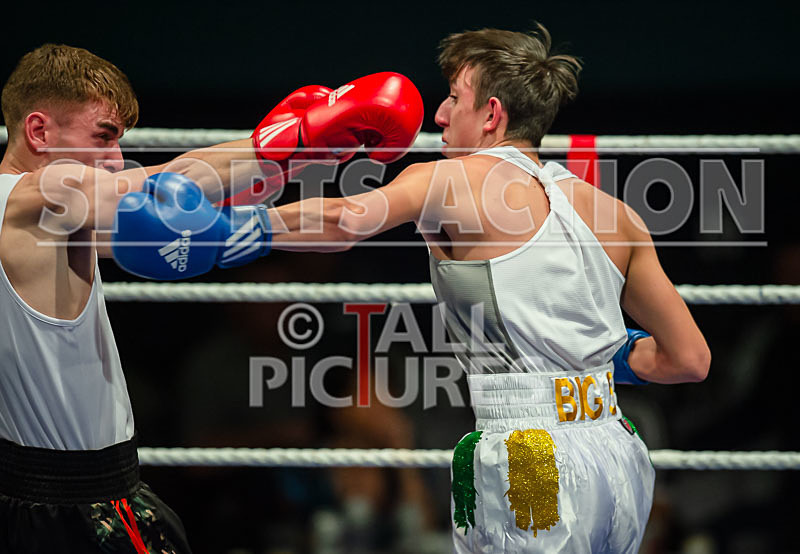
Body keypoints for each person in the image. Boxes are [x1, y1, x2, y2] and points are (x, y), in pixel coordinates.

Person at [246, 25, 711, 553]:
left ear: (491, 114)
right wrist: (609, 357)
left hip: (530, 454)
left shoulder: (447, 181)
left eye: (453, 97)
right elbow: (689, 358)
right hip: (617, 451)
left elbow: (346, 219)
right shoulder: (614, 214)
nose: (439, 115)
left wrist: (230, 229)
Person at [0, 43, 423, 553]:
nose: (115, 158)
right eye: (103, 136)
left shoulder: (49, 220)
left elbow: (180, 192)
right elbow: (159, 193)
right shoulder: (36, 197)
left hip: (69, 491)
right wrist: (298, 140)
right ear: (39, 131)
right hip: (66, 503)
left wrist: (294, 155)